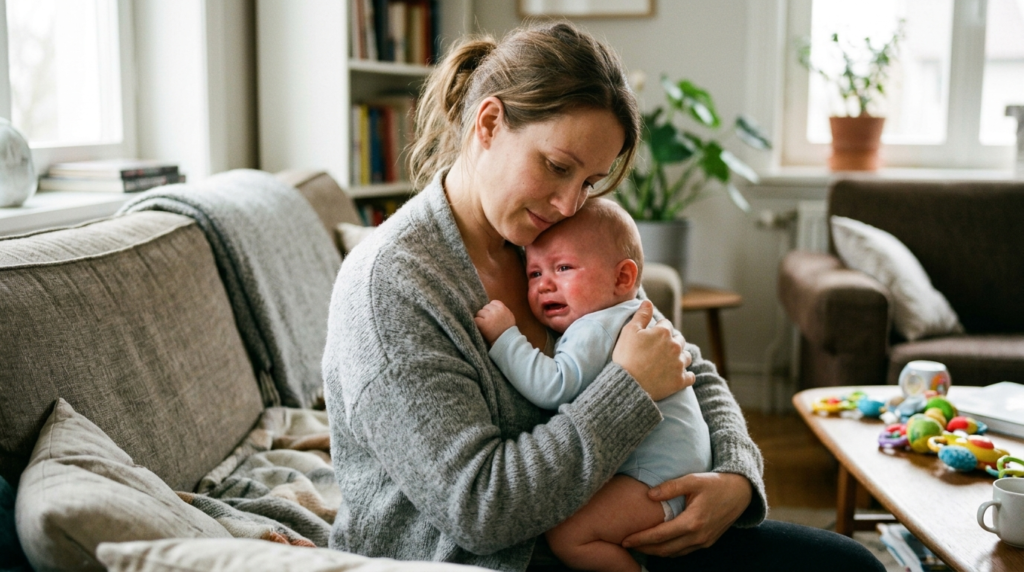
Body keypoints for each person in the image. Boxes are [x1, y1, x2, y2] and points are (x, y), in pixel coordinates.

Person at [322, 20, 885, 572]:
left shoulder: (546, 239)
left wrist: (736, 477)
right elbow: (481, 510)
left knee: (851, 565)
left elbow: (682, 361)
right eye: (557, 167)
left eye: (588, 182)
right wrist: (628, 388)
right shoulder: (392, 288)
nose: (570, 204)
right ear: (489, 123)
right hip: (493, 558)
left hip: (622, 526)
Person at [474, 197, 712, 572]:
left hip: (656, 481)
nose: (544, 285)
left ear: (623, 278)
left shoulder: (595, 326)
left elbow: (553, 386)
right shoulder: (623, 310)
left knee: (571, 535)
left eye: (564, 267)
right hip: (681, 468)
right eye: (534, 273)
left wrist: (506, 338)